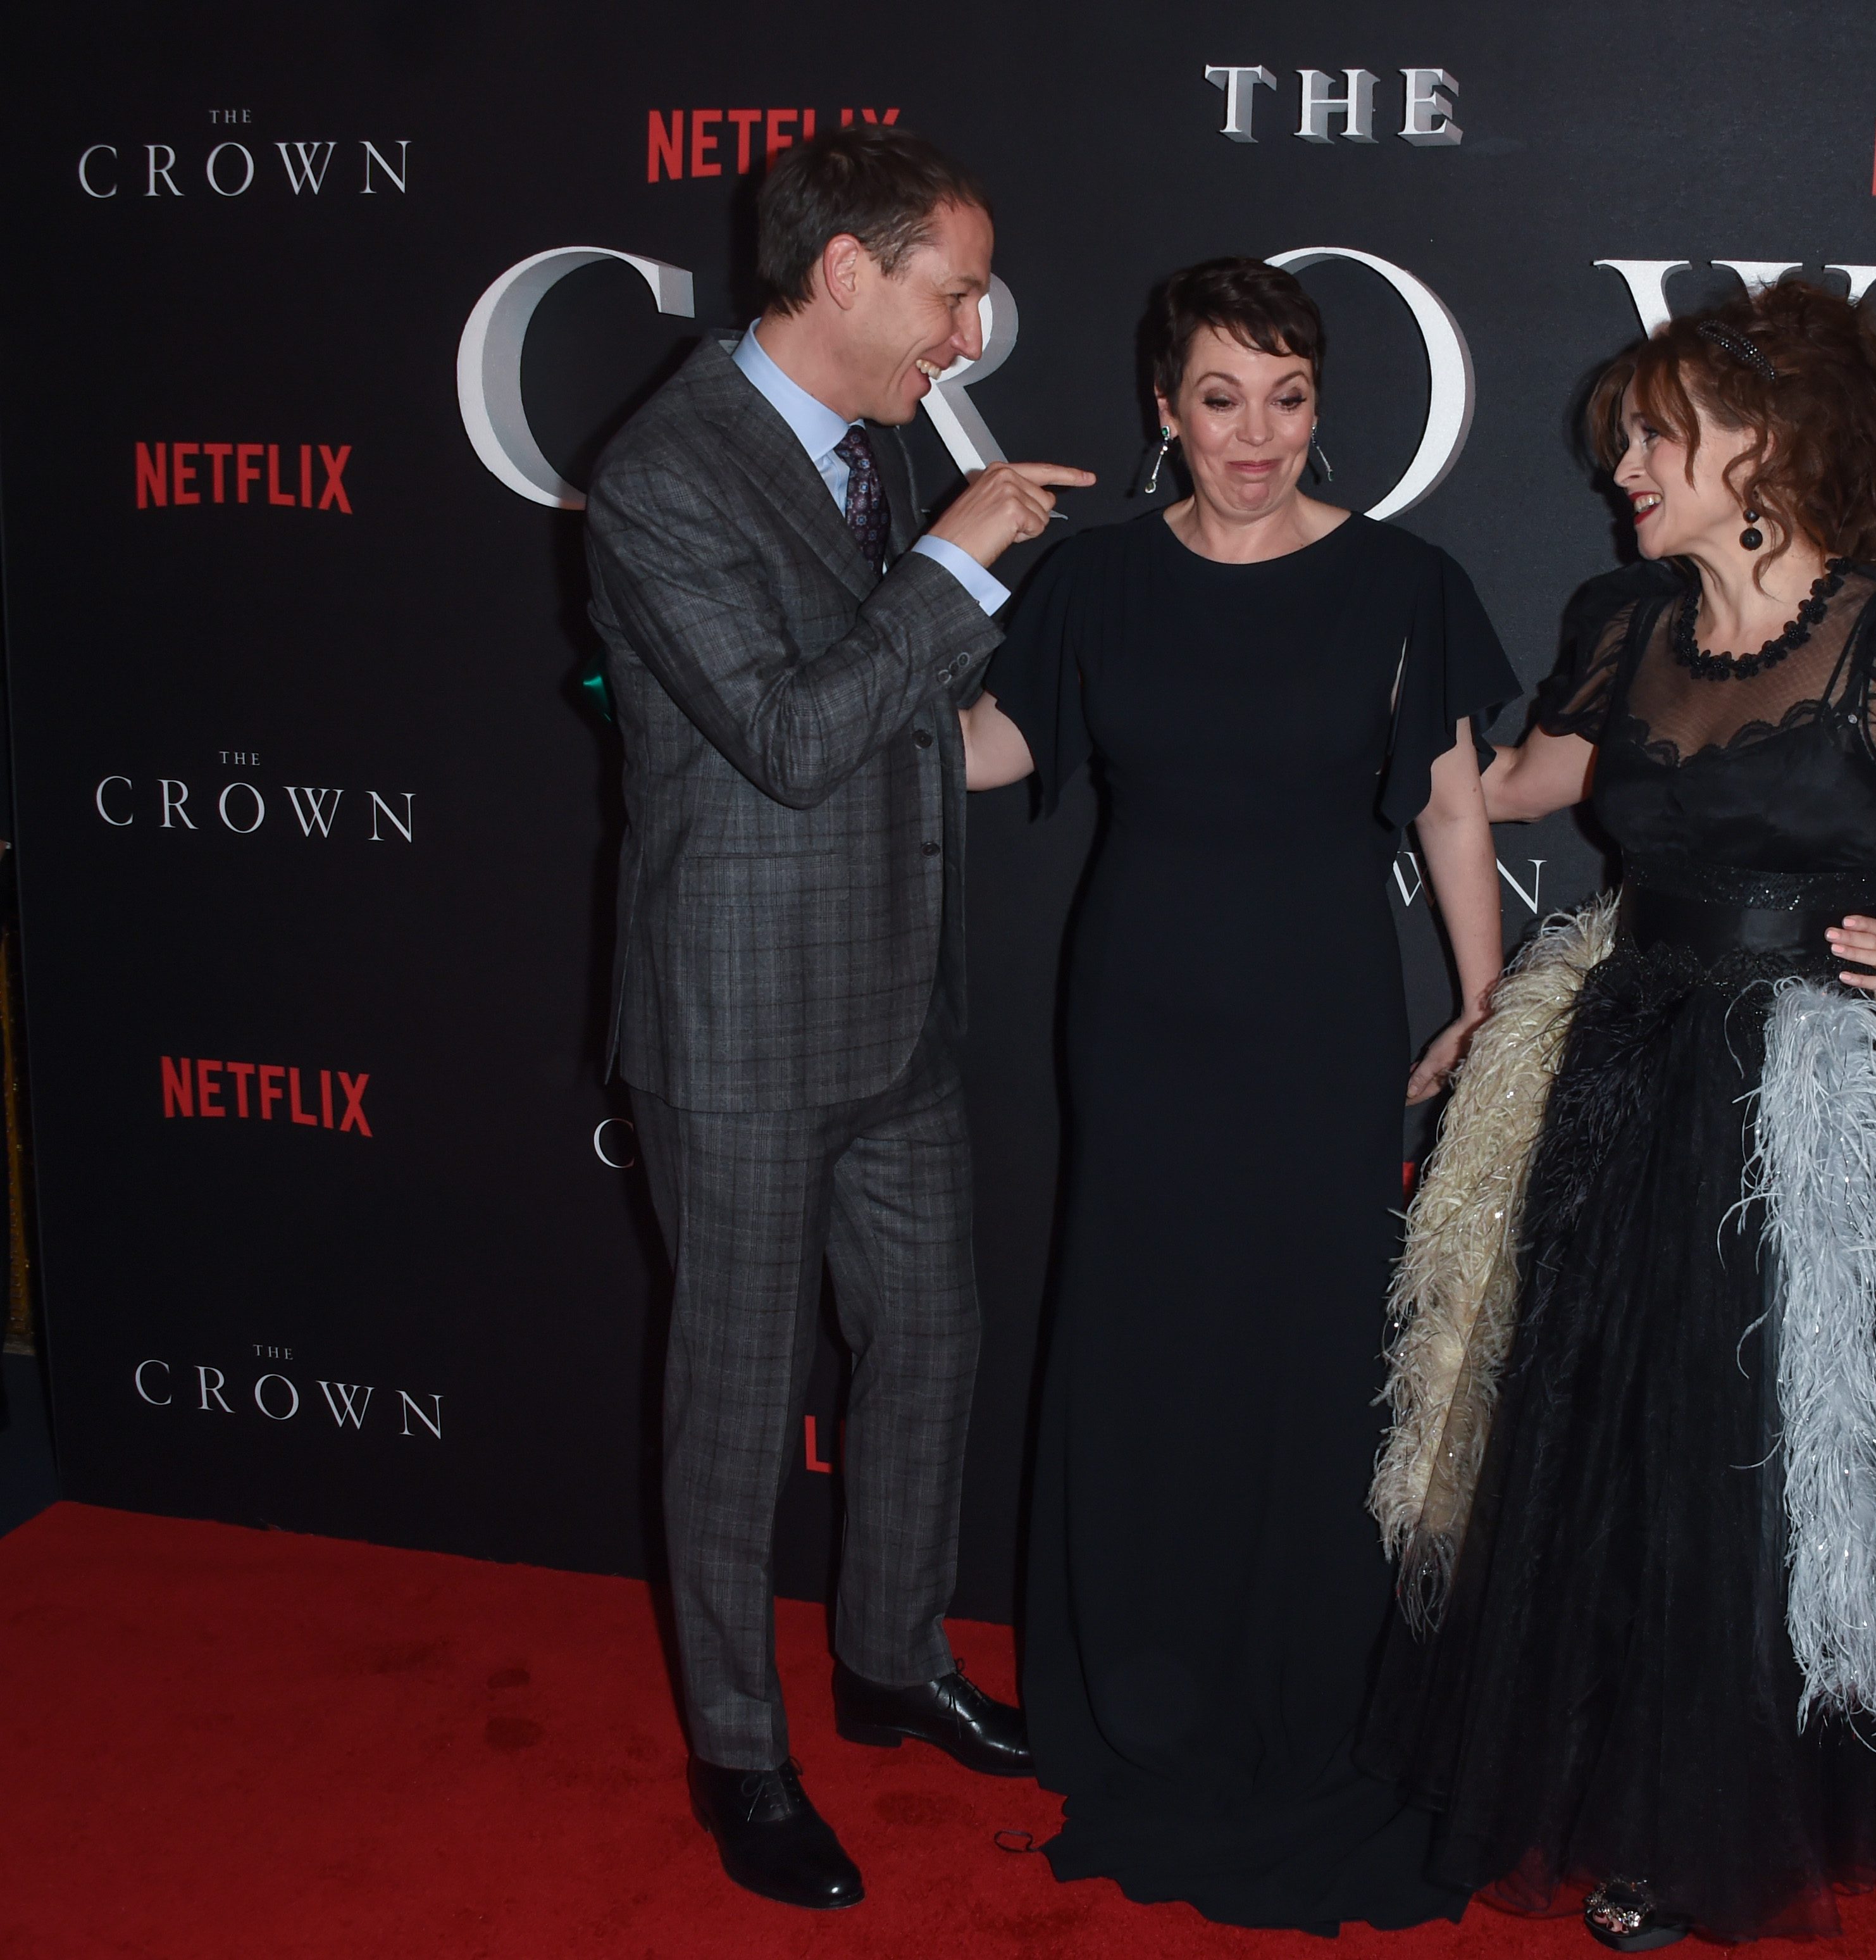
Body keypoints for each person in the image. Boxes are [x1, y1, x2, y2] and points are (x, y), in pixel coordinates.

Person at [1364, 280, 1876, 1947]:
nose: (1626, 470)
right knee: (1609, 1444)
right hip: (1624, 1070)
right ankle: (1615, 1779)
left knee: (1766, 1464)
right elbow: (1528, 782)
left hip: (1803, 1109)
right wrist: (1383, 710)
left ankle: (1721, 1817)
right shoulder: (1626, 622)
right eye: (1628, 442)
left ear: (1762, 445)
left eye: (1657, 438)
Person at [961, 257, 1514, 1933]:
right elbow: (980, 748)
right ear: (1164, 408)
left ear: (1318, 403)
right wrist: (817, 681)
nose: (1254, 434)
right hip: (1138, 1017)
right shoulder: (1098, 583)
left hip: (1321, 1016)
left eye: (1285, 398)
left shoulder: (1404, 582)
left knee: (1307, 1334)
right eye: (1220, 398)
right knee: (1146, 1330)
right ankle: (1144, 1671)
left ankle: (1303, 1672)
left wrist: (1484, 1002)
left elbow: (1452, 810)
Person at [583, 124, 1093, 1911]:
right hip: (736, 1021)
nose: (968, 336)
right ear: (847, 273)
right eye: (952, 295)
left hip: (896, 1000)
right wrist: (957, 569)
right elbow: (796, 738)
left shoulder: (872, 453)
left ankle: (889, 1659)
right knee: (734, 1399)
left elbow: (906, 732)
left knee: (935, 1343)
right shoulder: (661, 473)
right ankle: (744, 1750)